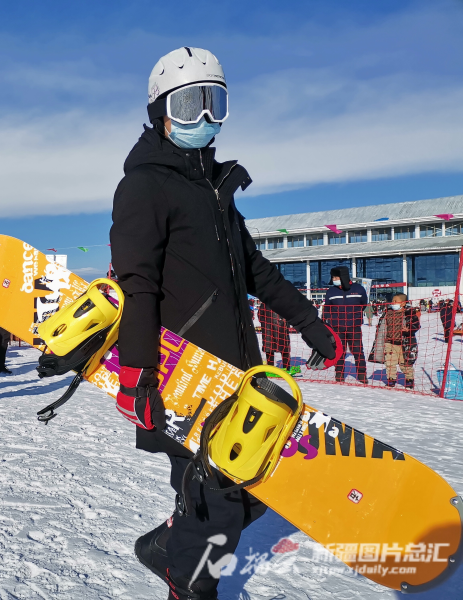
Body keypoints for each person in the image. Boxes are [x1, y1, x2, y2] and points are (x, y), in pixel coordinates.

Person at [110, 48, 337, 600]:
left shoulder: (215, 194)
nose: (205, 119)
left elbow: (256, 269)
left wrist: (310, 322)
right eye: (190, 105)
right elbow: (135, 283)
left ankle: (169, 544)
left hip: (235, 372)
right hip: (180, 372)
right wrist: (135, 371)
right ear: (161, 111)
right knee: (216, 506)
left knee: (250, 486)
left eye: (215, 103)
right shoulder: (144, 187)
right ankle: (188, 582)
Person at [322, 266, 368, 384]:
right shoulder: (331, 291)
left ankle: (362, 374)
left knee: (358, 351)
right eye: (333, 277)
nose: (334, 279)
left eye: (336, 277)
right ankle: (339, 374)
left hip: (354, 327)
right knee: (339, 352)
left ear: (343, 277)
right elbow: (327, 308)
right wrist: (326, 320)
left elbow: (364, 304)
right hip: (337, 327)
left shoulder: (359, 289)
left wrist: (355, 317)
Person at [369, 293, 420, 388]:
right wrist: (380, 327)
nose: (393, 303)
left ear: (403, 303)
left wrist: (409, 329)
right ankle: (391, 379)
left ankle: (409, 379)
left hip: (404, 343)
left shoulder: (409, 313)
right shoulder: (387, 312)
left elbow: (416, 325)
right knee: (389, 362)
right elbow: (383, 322)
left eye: (396, 301)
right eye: (392, 301)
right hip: (389, 342)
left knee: (404, 363)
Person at [258, 303, 291, 371]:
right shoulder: (265, 303)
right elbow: (260, 315)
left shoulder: (282, 301)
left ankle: (286, 368)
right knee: (270, 349)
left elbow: (289, 314)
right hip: (270, 329)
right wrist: (265, 323)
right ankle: (272, 367)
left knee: (284, 349)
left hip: (280, 328)